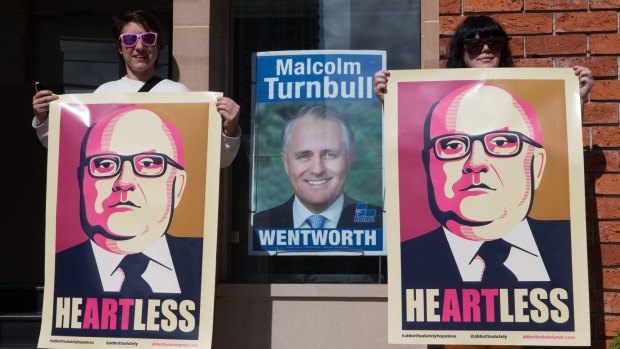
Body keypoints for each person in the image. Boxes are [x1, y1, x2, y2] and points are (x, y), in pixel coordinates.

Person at [400, 82, 573, 331]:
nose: (475, 162)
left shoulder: (568, 244)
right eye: (452, 145)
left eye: (502, 142)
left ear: (537, 165)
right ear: (429, 166)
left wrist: (575, 98)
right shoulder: (407, 260)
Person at [53, 106, 202, 337]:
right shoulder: (58, 269)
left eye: (150, 163)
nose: (124, 181)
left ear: (178, 186)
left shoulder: (202, 262)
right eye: (104, 165)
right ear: (82, 181)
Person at [31, 9, 240, 168]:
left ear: (158, 46)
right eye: (129, 39)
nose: (139, 47)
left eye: (148, 38)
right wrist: (43, 119)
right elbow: (67, 149)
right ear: (119, 48)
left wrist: (230, 129)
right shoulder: (103, 94)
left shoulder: (178, 94)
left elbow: (216, 161)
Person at [373, 15, 594, 105]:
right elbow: (413, 134)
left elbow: (554, 135)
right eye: (475, 45)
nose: (486, 49)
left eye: (494, 43)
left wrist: (577, 101)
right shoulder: (439, 96)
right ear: (461, 50)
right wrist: (391, 104)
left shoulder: (525, 93)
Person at [252, 104, 382, 230]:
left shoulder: (381, 223)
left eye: (330, 154)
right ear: (286, 163)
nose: (317, 169)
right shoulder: (258, 227)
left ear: (349, 160)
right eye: (304, 156)